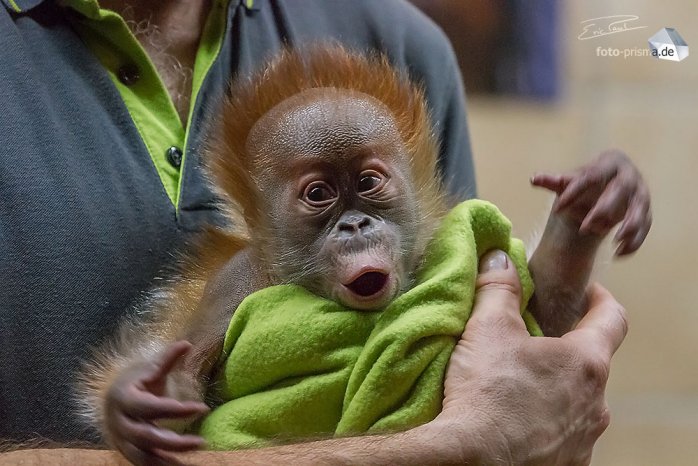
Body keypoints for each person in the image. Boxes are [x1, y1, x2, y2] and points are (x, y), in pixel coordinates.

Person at [0, 0, 626, 463]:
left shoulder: (401, 45)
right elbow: (166, 366)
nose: (356, 224)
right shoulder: (244, 275)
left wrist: (576, 229)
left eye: (373, 187)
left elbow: (526, 344)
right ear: (254, 215)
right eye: (318, 197)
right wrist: (134, 400)